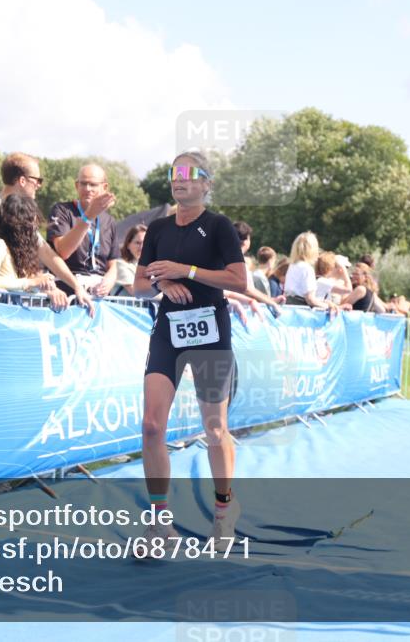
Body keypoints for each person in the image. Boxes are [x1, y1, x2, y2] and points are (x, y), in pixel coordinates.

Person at [133, 151, 248, 555]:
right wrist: (163, 285)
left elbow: (238, 279)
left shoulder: (218, 227)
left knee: (215, 428)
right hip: (169, 329)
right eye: (174, 173)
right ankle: (160, 524)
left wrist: (187, 271)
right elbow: (138, 284)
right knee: (151, 426)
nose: (179, 180)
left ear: (206, 183)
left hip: (211, 330)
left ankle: (223, 511)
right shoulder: (159, 229)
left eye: (189, 173)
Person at [0, 194, 95, 315]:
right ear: (19, 224)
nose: (34, 229)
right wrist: (33, 282)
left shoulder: (18, 252)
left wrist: (48, 289)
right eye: (30, 223)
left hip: (8, 313)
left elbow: (20, 285)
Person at [47, 164, 121, 297]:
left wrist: (109, 281)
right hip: (68, 291)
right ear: (76, 186)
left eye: (93, 184)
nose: (87, 189)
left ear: (104, 187)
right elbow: (63, 251)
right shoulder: (62, 210)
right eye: (83, 184)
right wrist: (88, 217)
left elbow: (113, 264)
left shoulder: (109, 221)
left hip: (98, 294)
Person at [0, 152, 43, 268]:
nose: (39, 185)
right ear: (22, 181)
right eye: (38, 180)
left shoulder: (20, 210)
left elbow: (44, 250)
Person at [284, 232, 338, 312]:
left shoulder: (293, 266)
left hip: (289, 307)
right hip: (301, 311)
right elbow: (310, 299)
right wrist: (327, 306)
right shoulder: (307, 268)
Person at [113, 224, 147, 297]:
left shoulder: (150, 266)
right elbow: (137, 292)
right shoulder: (120, 264)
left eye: (145, 243)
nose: (142, 247)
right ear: (128, 245)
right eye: (138, 243)